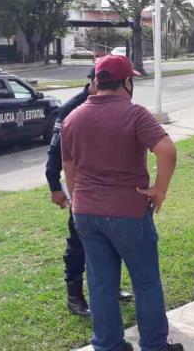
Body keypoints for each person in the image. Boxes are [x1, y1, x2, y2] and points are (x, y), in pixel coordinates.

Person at [61, 55, 183, 351]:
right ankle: (154, 346)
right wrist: (160, 190)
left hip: (87, 213)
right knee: (145, 283)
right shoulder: (135, 114)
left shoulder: (73, 117)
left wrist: (79, 200)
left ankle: (107, 345)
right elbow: (167, 150)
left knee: (101, 283)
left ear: (98, 81)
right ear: (126, 82)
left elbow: (69, 167)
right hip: (128, 212)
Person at [45, 68, 132, 317]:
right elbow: (55, 152)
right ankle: (75, 296)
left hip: (110, 187)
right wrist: (54, 187)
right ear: (94, 82)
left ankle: (112, 287)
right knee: (78, 242)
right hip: (80, 187)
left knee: (112, 240)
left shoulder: (117, 102)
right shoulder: (73, 108)